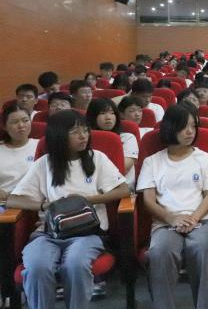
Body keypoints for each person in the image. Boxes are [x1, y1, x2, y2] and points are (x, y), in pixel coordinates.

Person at [7, 110, 129, 309]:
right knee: (37, 267)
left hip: (88, 233)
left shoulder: (97, 158)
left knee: (75, 264)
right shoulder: (44, 164)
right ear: (59, 135)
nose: (83, 136)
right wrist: (44, 205)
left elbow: (123, 190)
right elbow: (14, 200)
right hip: (48, 233)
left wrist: (84, 200)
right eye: (75, 132)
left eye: (85, 130)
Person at [136, 104, 208, 308]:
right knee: (160, 251)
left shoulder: (204, 159)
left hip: (201, 219)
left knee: (204, 247)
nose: (190, 131)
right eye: (184, 127)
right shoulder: (152, 162)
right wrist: (172, 218)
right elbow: (148, 200)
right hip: (165, 222)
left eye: (193, 126)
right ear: (170, 128)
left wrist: (193, 218)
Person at [86, 98, 139, 190]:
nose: (108, 117)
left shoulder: (127, 138)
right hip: (91, 187)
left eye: (112, 113)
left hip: (122, 190)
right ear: (92, 117)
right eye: (102, 113)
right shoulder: (84, 139)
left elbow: (123, 168)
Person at [0, 104, 40, 202]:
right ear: (4, 126)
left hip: (34, 201)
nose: (21, 125)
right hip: (4, 202)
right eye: (14, 122)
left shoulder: (41, 145)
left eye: (25, 120)